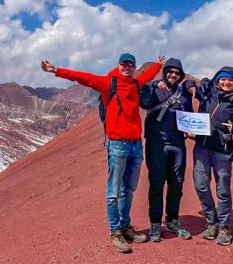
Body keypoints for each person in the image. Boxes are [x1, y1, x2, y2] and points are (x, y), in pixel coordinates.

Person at [41, 53, 163, 253]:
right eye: (124, 64)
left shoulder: (135, 83)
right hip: (117, 144)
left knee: (129, 189)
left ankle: (125, 226)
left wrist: (158, 64)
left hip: (135, 144)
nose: (127, 67)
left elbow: (147, 76)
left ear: (134, 67)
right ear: (118, 65)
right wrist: (56, 70)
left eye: (130, 64)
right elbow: (84, 77)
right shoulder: (108, 82)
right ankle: (115, 231)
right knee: (113, 191)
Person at [139, 58, 197, 243]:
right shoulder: (154, 88)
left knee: (177, 184)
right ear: (165, 73)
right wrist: (153, 84)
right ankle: (156, 223)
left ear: (180, 76)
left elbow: (189, 115)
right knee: (156, 184)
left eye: (177, 73)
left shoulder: (184, 93)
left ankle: (172, 220)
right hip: (156, 144)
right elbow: (144, 103)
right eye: (170, 72)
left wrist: (191, 129)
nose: (173, 75)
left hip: (178, 145)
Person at [192, 67, 233, 246]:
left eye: (230, 80)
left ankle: (223, 226)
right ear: (218, 80)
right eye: (223, 79)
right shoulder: (207, 95)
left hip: (222, 151)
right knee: (201, 186)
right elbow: (188, 84)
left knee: (222, 189)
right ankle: (211, 221)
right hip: (201, 147)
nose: (226, 83)